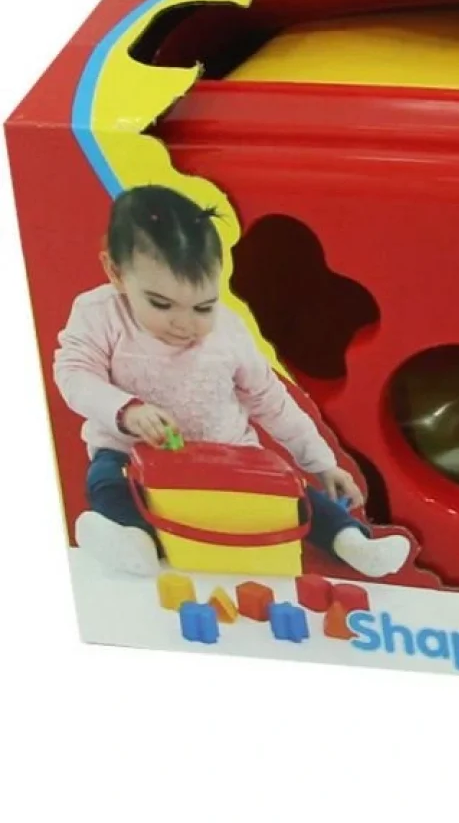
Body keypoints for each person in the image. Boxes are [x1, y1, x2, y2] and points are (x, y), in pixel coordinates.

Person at [53, 184, 409, 578]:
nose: (185, 323)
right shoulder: (99, 313)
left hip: (229, 456)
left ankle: (353, 543)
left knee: (295, 496)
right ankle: (131, 539)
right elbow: (74, 373)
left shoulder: (230, 331)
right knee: (106, 481)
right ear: (116, 273)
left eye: (203, 306)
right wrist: (126, 411)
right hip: (129, 453)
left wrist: (323, 464)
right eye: (161, 304)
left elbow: (271, 402)